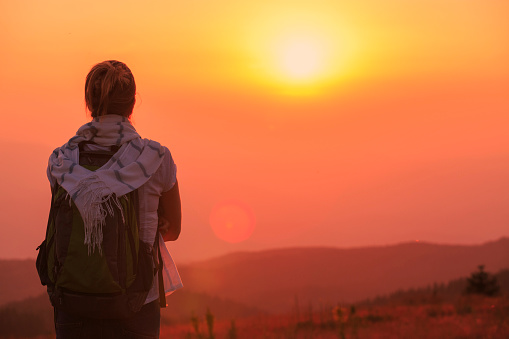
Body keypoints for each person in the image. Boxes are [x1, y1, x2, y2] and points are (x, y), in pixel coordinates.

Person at [46, 60, 182, 339]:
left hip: (72, 303)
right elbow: (174, 231)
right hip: (136, 302)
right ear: (133, 103)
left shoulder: (61, 161)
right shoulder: (154, 158)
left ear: (89, 103)